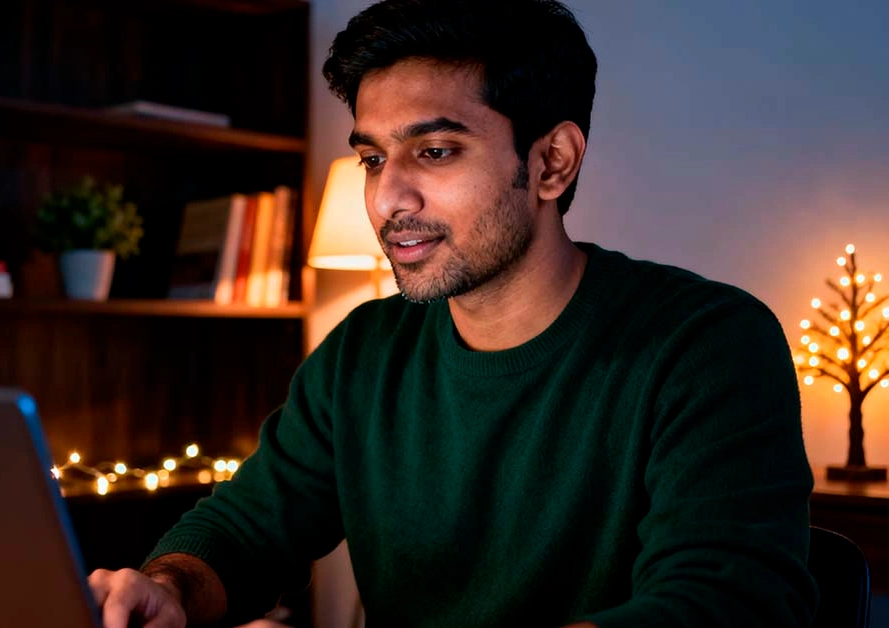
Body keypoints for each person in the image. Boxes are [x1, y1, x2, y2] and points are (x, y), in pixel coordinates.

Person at [89, 0, 818, 626]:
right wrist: (169, 589)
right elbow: (246, 530)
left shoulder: (708, 344)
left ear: (552, 163)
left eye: (434, 152)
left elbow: (727, 603)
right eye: (373, 159)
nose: (386, 200)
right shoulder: (362, 354)